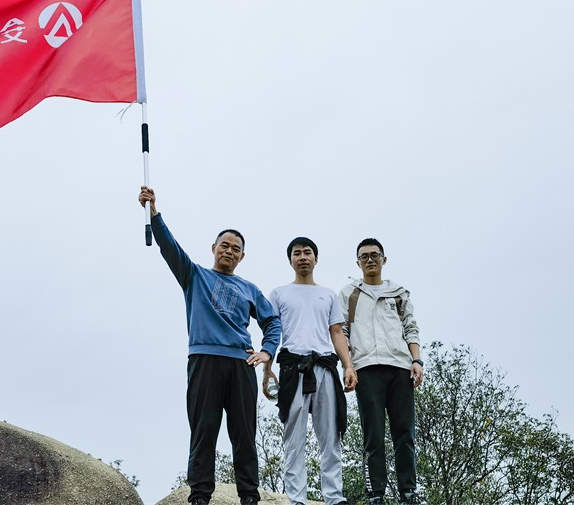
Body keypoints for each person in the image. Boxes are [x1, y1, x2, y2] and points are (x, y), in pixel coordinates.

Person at [139, 186, 282, 505]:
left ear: (242, 256)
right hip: (204, 360)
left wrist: (266, 352)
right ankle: (200, 496)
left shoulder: (249, 288)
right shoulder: (194, 276)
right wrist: (153, 211)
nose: (229, 251)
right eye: (225, 245)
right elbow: (169, 247)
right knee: (204, 432)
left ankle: (249, 496)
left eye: (236, 249)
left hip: (241, 364)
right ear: (214, 247)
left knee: (244, 434)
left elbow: (272, 322)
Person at [262, 237, 357, 505]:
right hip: (293, 367)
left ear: (316, 258)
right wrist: (267, 371)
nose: (302, 257)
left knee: (330, 435)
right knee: (294, 438)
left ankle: (334, 496)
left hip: (325, 366)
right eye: (296, 253)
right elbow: (273, 332)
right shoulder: (279, 293)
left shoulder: (328, 294)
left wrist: (348, 366)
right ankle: (296, 499)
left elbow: (337, 332)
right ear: (290, 260)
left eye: (307, 252)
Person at [338, 238, 423, 505]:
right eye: (364, 256)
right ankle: (376, 493)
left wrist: (417, 361)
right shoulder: (349, 293)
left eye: (375, 255)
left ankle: (409, 492)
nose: (370, 260)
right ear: (357, 263)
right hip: (367, 369)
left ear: (384, 259)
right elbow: (342, 332)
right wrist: (348, 367)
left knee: (404, 432)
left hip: (400, 368)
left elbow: (411, 328)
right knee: (372, 435)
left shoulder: (398, 292)